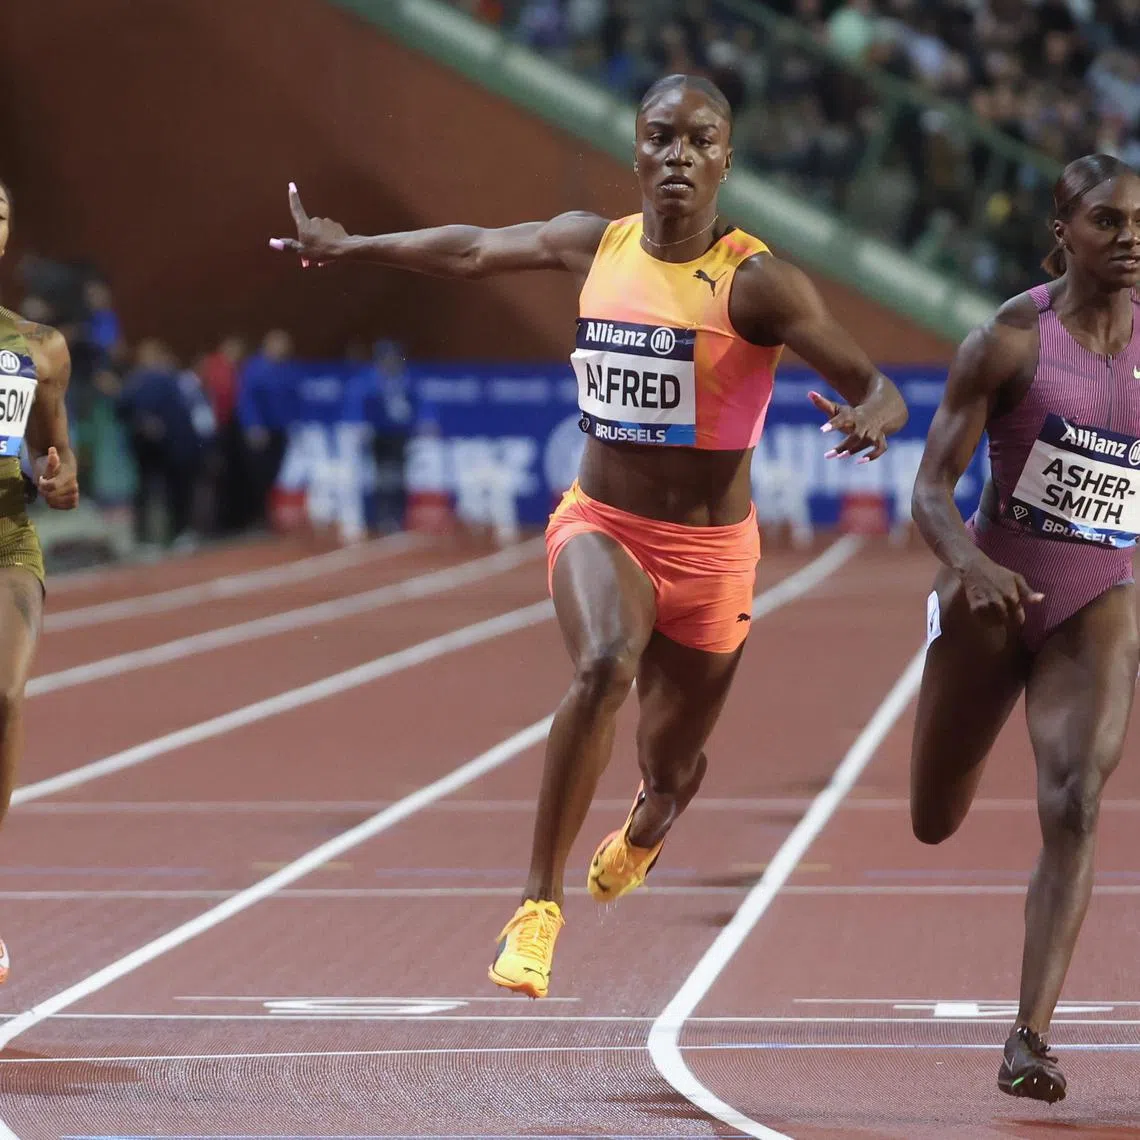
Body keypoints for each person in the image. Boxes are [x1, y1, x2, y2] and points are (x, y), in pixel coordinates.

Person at [270, 74, 907, 998]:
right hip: (602, 524)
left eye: (699, 140)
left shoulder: (756, 282)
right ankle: (538, 907)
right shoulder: (593, 243)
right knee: (605, 663)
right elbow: (474, 249)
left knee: (672, 766)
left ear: (727, 159)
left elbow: (876, 385)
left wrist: (875, 414)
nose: (678, 155)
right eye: (660, 137)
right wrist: (353, 245)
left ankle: (649, 823)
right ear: (636, 150)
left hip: (711, 557)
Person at [910, 153, 1140, 1104]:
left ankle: (1028, 1038)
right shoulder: (1007, 341)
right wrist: (972, 566)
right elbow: (930, 490)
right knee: (933, 820)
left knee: (1076, 802)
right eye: (1108, 221)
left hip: (1099, 593)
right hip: (992, 591)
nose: (1130, 237)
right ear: (1062, 231)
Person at [0, 179, 81, 983]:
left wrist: (59, 477)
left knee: (2, 693)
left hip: (6, 542)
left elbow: (54, 453)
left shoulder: (37, 346)